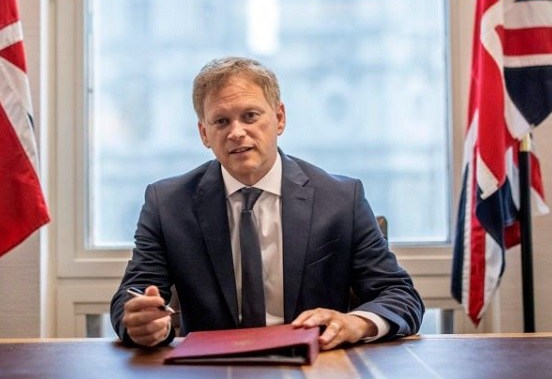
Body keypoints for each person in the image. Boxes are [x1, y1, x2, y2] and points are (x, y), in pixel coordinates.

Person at [110, 57, 423, 350]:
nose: (236, 132)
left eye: (250, 116)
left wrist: (356, 323)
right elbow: (132, 297)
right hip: (210, 369)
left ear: (279, 118)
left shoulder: (340, 199)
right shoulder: (168, 204)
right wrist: (141, 323)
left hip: (315, 366)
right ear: (204, 134)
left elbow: (399, 295)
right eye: (221, 121)